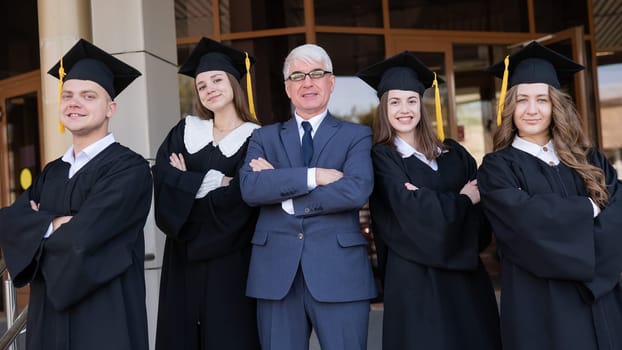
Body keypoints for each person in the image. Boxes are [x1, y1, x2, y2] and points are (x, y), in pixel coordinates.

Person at [0, 38, 151, 350]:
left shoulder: (130, 169)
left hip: (105, 317)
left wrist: (38, 225)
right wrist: (56, 224)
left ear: (111, 108)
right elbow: (9, 222)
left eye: (88, 95)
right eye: (67, 95)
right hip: (48, 317)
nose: (74, 102)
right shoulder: (52, 172)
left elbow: (84, 239)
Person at [478, 41, 622, 350]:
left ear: (555, 105)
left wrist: (591, 263)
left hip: (601, 301)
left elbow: (618, 217)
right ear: (509, 106)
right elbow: (524, 227)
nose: (532, 110)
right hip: (541, 308)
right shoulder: (497, 168)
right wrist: (588, 208)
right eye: (522, 100)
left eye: (542, 100)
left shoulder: (590, 159)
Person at [357, 51, 501, 350]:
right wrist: (461, 201)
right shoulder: (382, 157)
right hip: (415, 283)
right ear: (383, 108)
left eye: (411, 100)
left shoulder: (454, 153)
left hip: (466, 280)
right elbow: (406, 212)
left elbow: (482, 214)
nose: (404, 110)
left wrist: (426, 201)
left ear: (422, 106)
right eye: (394, 102)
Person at [239, 43, 377, 350]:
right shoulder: (263, 136)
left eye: (316, 73)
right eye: (298, 76)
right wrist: (314, 176)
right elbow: (250, 188)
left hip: (339, 273)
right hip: (276, 277)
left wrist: (285, 193)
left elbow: (355, 190)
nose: (307, 82)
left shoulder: (356, 136)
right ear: (287, 88)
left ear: (331, 82)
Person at [152, 37, 261, 350]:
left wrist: (187, 181)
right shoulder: (185, 131)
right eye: (201, 85)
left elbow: (242, 198)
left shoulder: (256, 139)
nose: (209, 88)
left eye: (217, 80)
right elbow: (162, 178)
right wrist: (217, 182)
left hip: (231, 262)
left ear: (233, 83)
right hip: (182, 261)